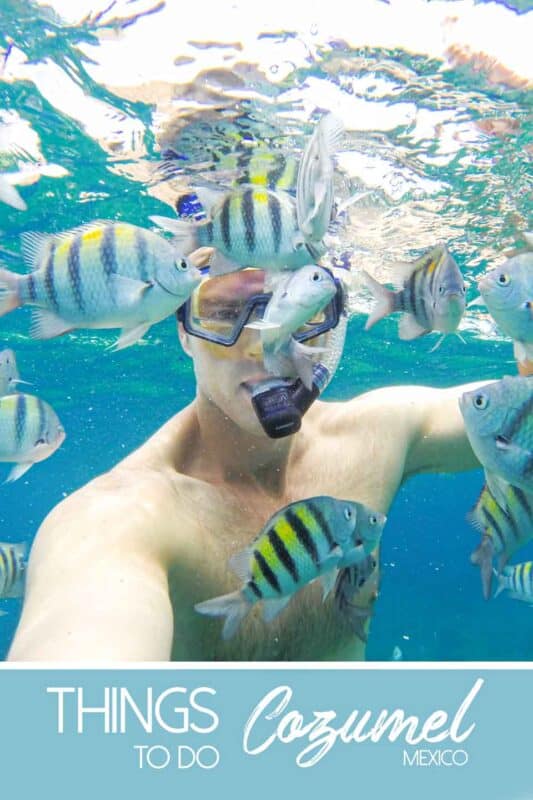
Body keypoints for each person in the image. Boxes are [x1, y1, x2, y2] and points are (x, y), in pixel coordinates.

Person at [6, 262, 513, 662]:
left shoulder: (379, 433)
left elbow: (516, 409)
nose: (267, 341)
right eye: (225, 313)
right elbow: (67, 700)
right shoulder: (119, 522)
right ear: (183, 331)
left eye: (299, 309)